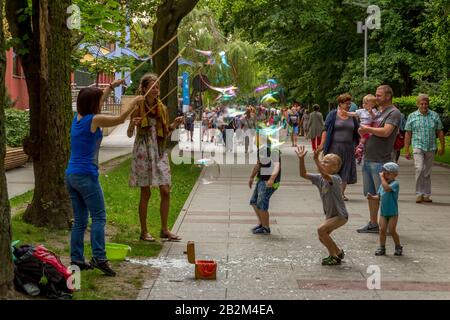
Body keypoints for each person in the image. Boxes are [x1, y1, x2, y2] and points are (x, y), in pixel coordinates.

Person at [67, 79, 144, 276]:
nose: (100, 103)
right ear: (93, 104)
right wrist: (134, 103)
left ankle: (76, 258)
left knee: (80, 221)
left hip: (72, 175)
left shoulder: (78, 118)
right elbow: (119, 120)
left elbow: (99, 102)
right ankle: (99, 257)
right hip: (86, 176)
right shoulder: (94, 120)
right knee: (99, 217)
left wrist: (111, 86)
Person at [127, 73, 184, 242]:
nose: (155, 90)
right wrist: (132, 124)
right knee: (145, 193)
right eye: (152, 87)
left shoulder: (162, 109)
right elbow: (130, 134)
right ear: (144, 89)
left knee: (166, 190)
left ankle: (164, 229)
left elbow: (165, 133)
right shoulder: (138, 107)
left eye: (157, 87)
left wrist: (174, 125)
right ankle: (144, 231)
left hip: (158, 151)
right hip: (143, 151)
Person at [357, 85, 402, 233]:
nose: (376, 98)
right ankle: (373, 223)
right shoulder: (378, 112)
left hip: (381, 160)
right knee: (371, 194)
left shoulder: (394, 112)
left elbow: (386, 132)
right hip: (368, 157)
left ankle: (387, 225)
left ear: (388, 96)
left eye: (378, 95)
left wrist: (367, 129)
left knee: (383, 194)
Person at [296, 146, 348, 266]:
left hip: (340, 215)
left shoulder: (335, 179)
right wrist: (301, 160)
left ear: (335, 167)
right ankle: (338, 252)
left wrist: (316, 160)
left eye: (326, 162)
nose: (322, 163)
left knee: (321, 230)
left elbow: (325, 175)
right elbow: (303, 174)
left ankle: (333, 257)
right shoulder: (320, 178)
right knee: (322, 236)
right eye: (322, 160)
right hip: (331, 215)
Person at [404, 94, 445, 203]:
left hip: (431, 146)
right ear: (417, 104)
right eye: (421, 103)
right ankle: (419, 193)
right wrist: (407, 149)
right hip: (418, 146)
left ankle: (426, 194)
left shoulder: (434, 115)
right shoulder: (412, 116)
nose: (424, 105)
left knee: (427, 171)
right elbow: (408, 133)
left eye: (426, 103)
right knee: (419, 168)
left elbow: (440, 131)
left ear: (428, 104)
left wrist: (442, 146)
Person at [318, 93, 359, 201]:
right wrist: (322, 144)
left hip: (348, 148)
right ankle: (329, 191)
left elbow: (357, 131)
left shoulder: (352, 116)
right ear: (340, 104)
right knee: (331, 169)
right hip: (334, 147)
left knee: (346, 169)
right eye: (346, 104)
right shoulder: (333, 114)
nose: (348, 106)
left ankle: (341, 194)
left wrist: (359, 143)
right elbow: (325, 129)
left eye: (349, 103)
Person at [367, 162, 402, 256]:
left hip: (392, 213)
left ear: (395, 174)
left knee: (391, 230)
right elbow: (379, 196)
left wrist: (381, 178)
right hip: (383, 212)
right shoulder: (382, 185)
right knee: (382, 230)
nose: (386, 176)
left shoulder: (395, 184)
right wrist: (372, 197)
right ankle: (382, 247)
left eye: (388, 174)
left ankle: (398, 246)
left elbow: (387, 189)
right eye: (384, 173)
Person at [248, 140, 281, 235]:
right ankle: (262, 224)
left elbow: (277, 165)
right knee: (254, 202)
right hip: (261, 179)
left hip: (269, 182)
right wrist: (251, 177)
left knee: (262, 203)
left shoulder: (273, 149)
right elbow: (258, 164)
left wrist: (271, 179)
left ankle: (266, 228)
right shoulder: (261, 149)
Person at [343, 94, 380, 164]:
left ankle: (360, 149)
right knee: (362, 134)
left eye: (366, 103)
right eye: (363, 103)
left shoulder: (374, 111)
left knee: (363, 138)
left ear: (372, 105)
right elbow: (354, 113)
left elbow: (375, 118)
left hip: (369, 127)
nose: (364, 104)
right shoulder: (361, 111)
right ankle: (360, 148)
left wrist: (371, 112)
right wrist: (347, 113)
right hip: (362, 127)